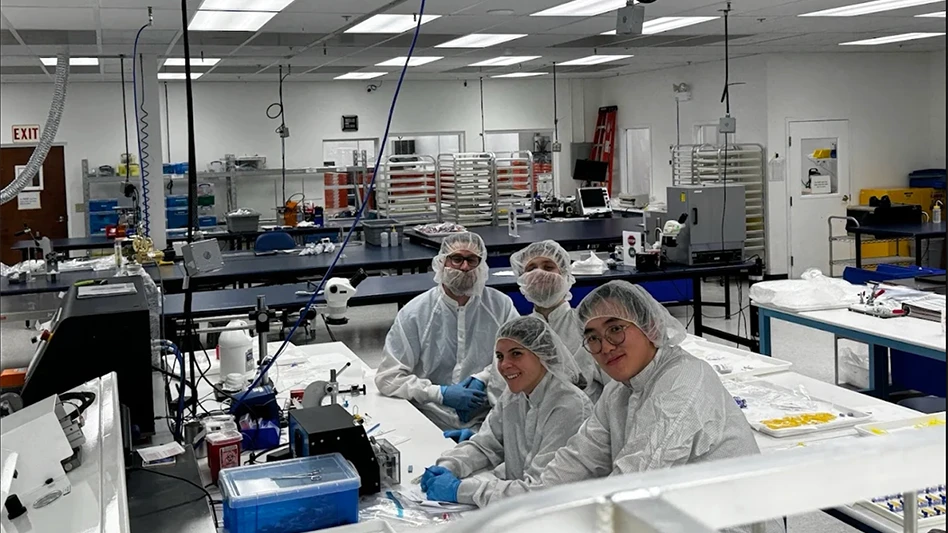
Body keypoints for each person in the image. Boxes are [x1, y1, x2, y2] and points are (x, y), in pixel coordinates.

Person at [423, 281, 782, 533]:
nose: (605, 346)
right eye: (592, 337)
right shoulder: (619, 393)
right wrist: (471, 490)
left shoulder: (682, 385)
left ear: (651, 326)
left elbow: (628, 489)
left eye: (615, 329)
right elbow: (570, 467)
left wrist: (471, 491)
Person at [420, 316, 593, 508]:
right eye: (500, 356)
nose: (504, 365)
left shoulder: (569, 407)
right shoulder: (514, 395)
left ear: (543, 354)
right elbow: (485, 445)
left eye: (516, 354)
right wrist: (448, 465)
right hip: (517, 508)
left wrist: (460, 490)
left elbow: (540, 490)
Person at [375, 232, 519, 431]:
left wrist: (483, 378)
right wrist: (439, 393)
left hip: (487, 420)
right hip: (428, 419)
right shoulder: (415, 312)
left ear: (482, 265)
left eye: (472, 260)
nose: (465, 267)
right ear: (442, 263)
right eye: (457, 259)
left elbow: (520, 358)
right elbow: (388, 377)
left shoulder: (500, 306)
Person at [510, 240, 605, 402]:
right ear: (521, 280)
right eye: (531, 269)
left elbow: (615, 387)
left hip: (585, 420)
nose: (539, 274)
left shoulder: (589, 327)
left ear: (566, 275)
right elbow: (502, 393)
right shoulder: (515, 333)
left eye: (548, 267)